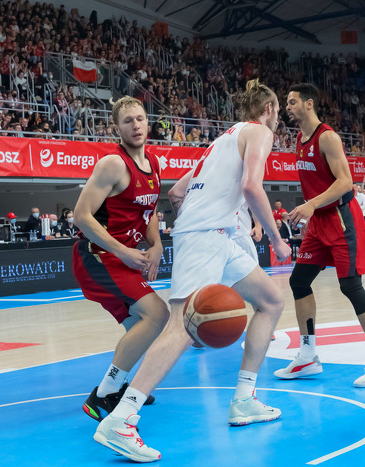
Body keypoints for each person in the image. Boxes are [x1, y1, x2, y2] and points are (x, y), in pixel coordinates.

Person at [94, 79, 291, 462]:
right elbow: (252, 187)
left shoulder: (221, 140)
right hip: (206, 236)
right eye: (278, 113)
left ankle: (244, 399)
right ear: (268, 109)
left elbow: (176, 193)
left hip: (216, 236)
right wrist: (276, 238)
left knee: (271, 301)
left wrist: (203, 221)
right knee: (182, 327)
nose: (277, 120)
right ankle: (121, 418)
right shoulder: (259, 132)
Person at [275, 83, 365, 387]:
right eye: (286, 103)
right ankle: (308, 356)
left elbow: (345, 182)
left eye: (292, 102)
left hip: (341, 219)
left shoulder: (327, 137)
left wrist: (311, 204)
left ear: (309, 104)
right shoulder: (299, 139)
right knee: (298, 281)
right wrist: (311, 210)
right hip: (318, 221)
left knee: (351, 286)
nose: (288, 107)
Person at [72, 96, 168, 427]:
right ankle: (103, 394)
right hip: (96, 256)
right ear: (117, 128)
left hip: (121, 258)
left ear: (148, 121)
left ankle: (118, 387)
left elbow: (148, 211)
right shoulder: (112, 164)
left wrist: (156, 245)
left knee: (139, 326)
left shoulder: (154, 163)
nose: (136, 125)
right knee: (158, 314)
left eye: (140, 118)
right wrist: (124, 252)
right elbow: (81, 216)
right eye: (128, 121)